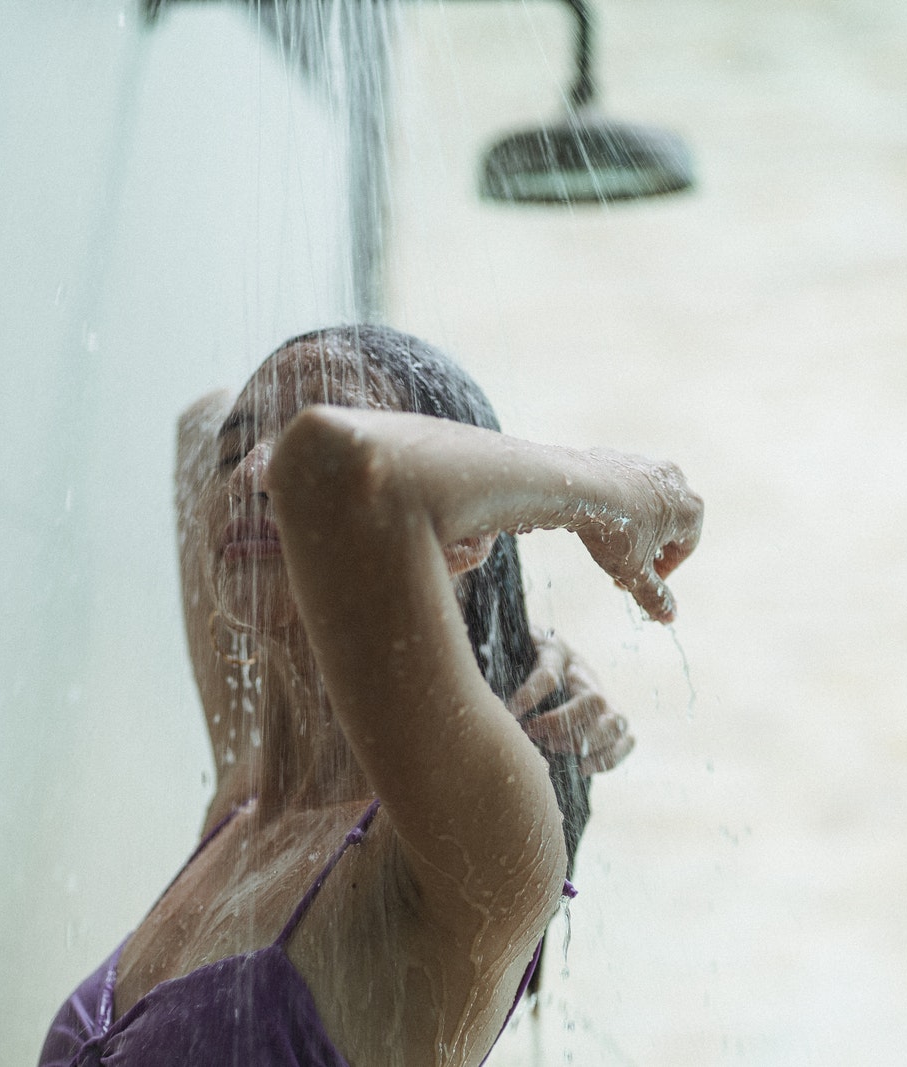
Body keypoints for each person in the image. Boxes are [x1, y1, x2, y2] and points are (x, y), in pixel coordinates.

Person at [40, 325, 703, 1066]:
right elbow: (202, 427)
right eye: (243, 450)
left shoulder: (477, 840)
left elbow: (344, 470)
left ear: (466, 539)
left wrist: (614, 490)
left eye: (296, 448)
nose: (255, 472)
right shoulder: (251, 795)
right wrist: (511, 630)